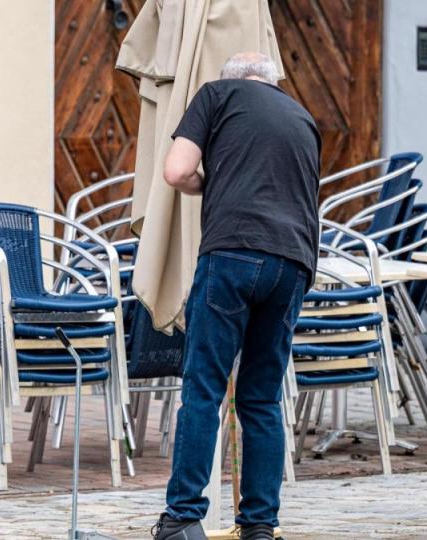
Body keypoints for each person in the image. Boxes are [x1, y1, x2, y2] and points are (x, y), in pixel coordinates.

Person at [151, 51, 321, 540]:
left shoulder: (216, 95)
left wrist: (210, 183)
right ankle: (260, 526)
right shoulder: (302, 117)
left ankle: (182, 518)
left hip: (233, 251)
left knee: (203, 389)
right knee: (262, 398)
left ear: (232, 80)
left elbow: (177, 172)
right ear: (271, 82)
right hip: (293, 263)